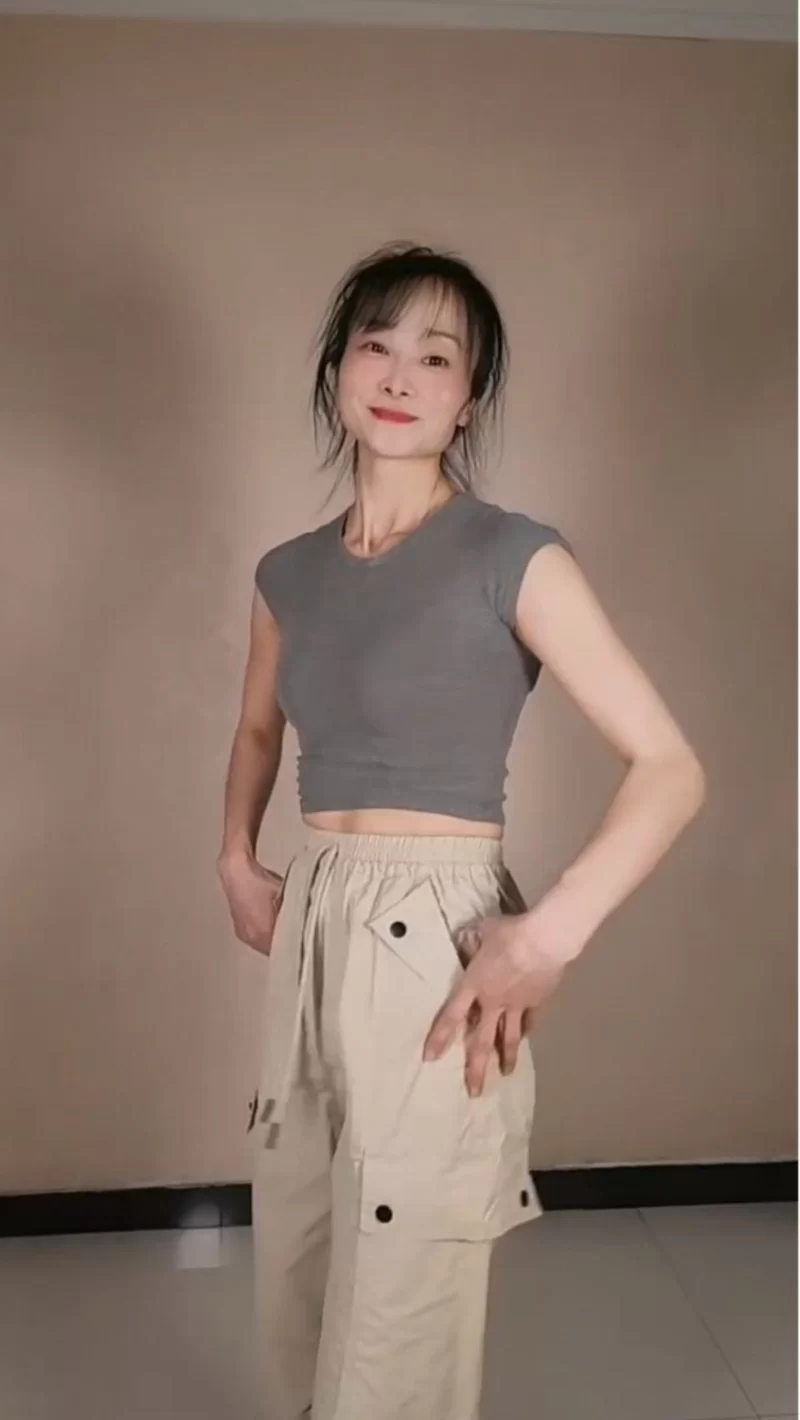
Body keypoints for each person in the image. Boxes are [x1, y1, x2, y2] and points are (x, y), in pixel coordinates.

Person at [217, 242, 706, 1420]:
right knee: (299, 1224)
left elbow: (669, 766)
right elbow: (256, 729)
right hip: (316, 915)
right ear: (336, 372)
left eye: (434, 357)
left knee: (405, 1256)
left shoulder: (510, 555)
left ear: (467, 397)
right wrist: (235, 853)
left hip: (432, 925)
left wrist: (547, 935)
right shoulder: (286, 574)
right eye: (374, 345)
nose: (399, 374)